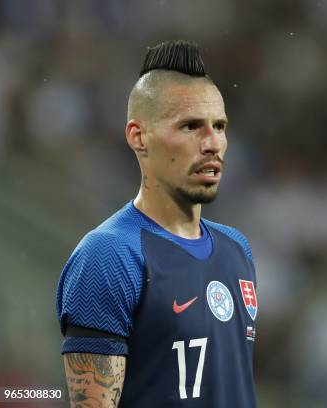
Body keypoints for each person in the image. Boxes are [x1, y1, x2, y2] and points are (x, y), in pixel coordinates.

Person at [55, 40, 258, 407]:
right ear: (139, 136)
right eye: (191, 126)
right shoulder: (109, 256)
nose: (212, 143)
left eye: (219, 125)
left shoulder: (236, 249)